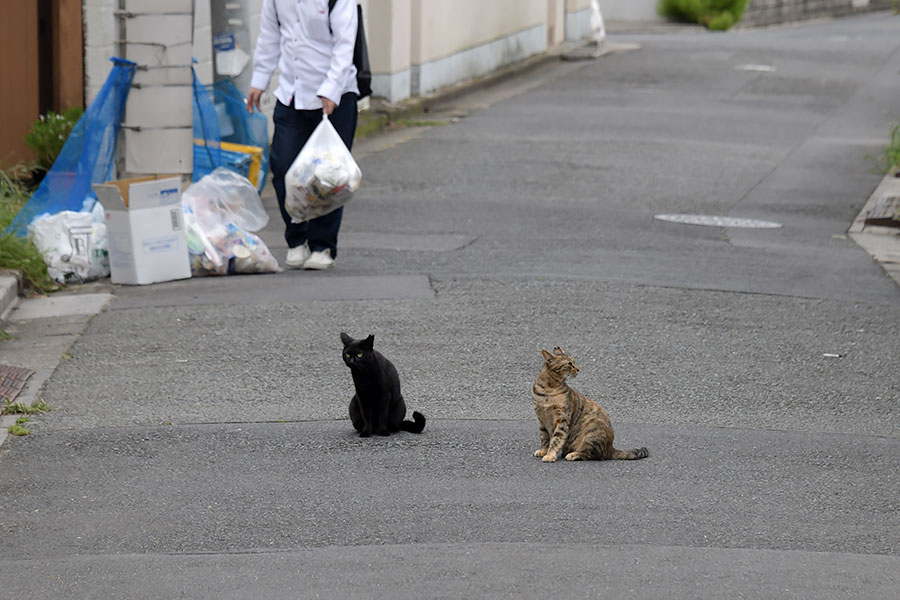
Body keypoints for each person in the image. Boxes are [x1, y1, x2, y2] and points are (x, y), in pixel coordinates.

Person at [246, 0, 359, 270]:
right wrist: (260, 79)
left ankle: (323, 246)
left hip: (335, 94)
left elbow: (345, 45)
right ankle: (297, 239)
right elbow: (270, 35)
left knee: (329, 175)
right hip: (291, 93)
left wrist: (331, 88)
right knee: (284, 166)